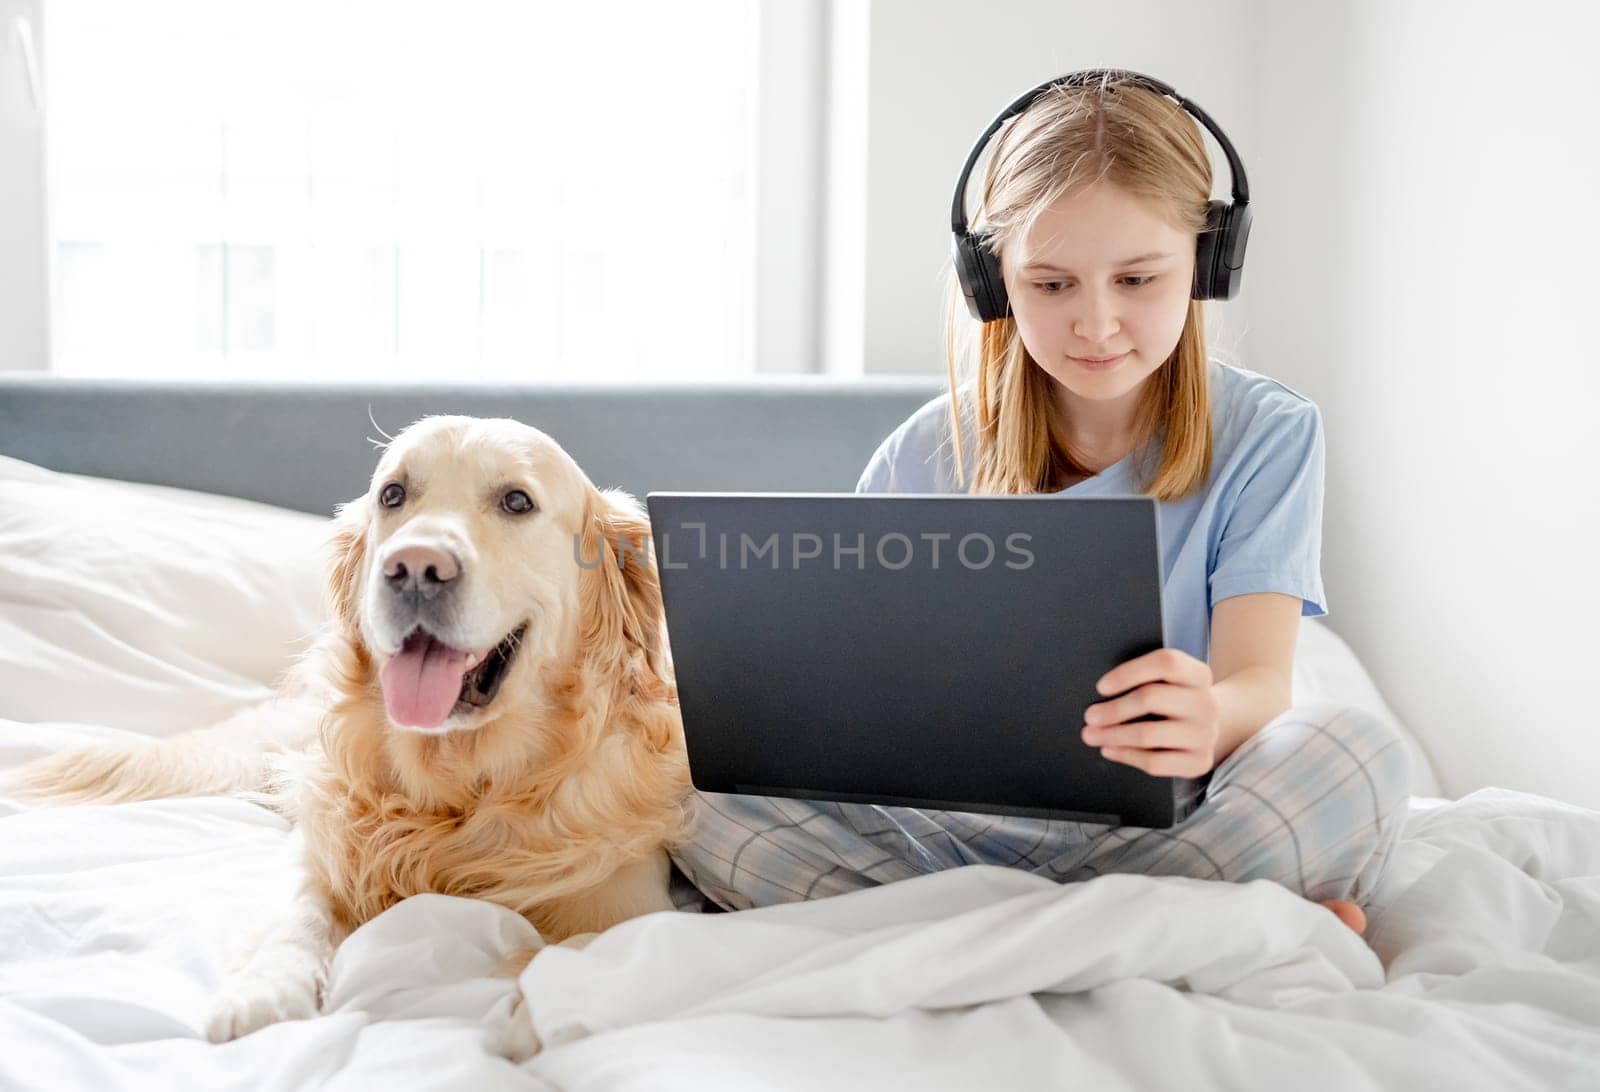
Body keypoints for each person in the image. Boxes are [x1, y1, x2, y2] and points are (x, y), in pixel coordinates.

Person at [668, 71, 1410, 938]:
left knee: (1358, 756)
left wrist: (1210, 717)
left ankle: (959, 935)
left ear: (1207, 264)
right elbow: (862, 716)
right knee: (679, 785)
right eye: (1052, 285)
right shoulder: (920, 454)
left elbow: (1260, 682)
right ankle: (1173, 928)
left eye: (1138, 279)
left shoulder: (1269, 433)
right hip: (951, 833)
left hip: (1169, 817)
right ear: (993, 284)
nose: (1096, 324)